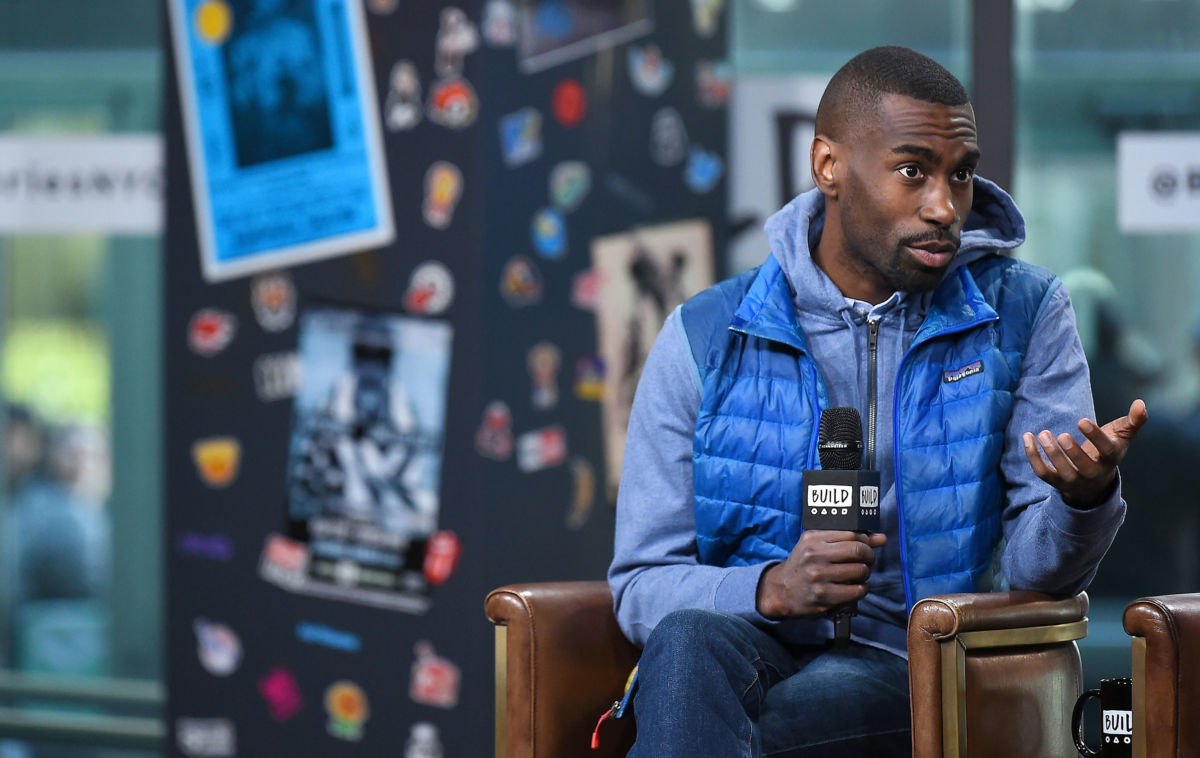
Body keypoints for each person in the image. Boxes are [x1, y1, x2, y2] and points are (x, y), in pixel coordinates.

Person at [607, 46, 1148, 757]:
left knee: (746, 727)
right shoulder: (707, 335)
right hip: (747, 647)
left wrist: (1084, 500)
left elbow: (1036, 573)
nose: (944, 207)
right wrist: (768, 588)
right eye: (912, 171)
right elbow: (641, 582)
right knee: (685, 643)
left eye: (961, 176)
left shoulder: (1021, 312)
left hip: (922, 659)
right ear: (828, 166)